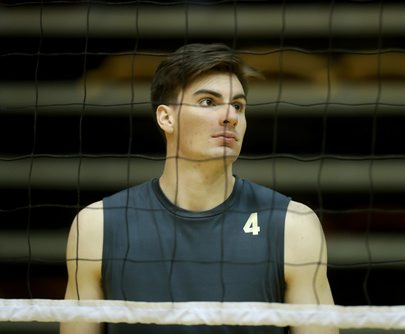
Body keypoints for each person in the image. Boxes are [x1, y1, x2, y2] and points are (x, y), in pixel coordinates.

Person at [60, 43, 338, 334]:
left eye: (238, 105)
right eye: (208, 102)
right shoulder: (97, 226)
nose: (230, 116)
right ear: (166, 117)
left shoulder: (294, 225)